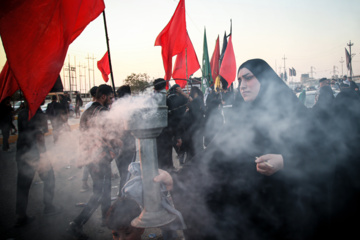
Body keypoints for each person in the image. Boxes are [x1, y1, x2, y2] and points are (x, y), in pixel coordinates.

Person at [155, 59, 315, 240]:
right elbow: (211, 156)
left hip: (284, 210)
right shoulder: (239, 117)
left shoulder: (293, 113)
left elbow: (320, 153)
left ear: (266, 79)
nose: (242, 86)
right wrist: (178, 178)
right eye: (239, 81)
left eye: (248, 78)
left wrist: (284, 161)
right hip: (247, 213)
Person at [68, 84, 119, 239]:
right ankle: (76, 224)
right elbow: (110, 134)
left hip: (91, 157)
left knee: (106, 188)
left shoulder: (87, 112)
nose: (111, 101)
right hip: (99, 158)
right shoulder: (102, 112)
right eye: (110, 97)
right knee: (99, 192)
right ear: (103, 96)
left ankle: (106, 217)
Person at [15, 102, 62, 227]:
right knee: (49, 178)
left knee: (22, 186)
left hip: (22, 153)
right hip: (36, 155)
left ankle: (21, 216)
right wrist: (43, 155)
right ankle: (49, 207)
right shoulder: (38, 113)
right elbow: (39, 136)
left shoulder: (22, 112)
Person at [114, 84, 136, 191]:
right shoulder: (130, 106)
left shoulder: (114, 106)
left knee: (123, 172)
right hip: (127, 144)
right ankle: (122, 196)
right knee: (126, 173)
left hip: (116, 144)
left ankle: (122, 195)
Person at [181, 86, 205, 163]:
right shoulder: (200, 100)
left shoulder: (196, 101)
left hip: (194, 128)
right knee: (198, 147)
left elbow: (194, 113)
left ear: (194, 92)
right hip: (199, 128)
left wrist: (188, 110)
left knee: (193, 149)